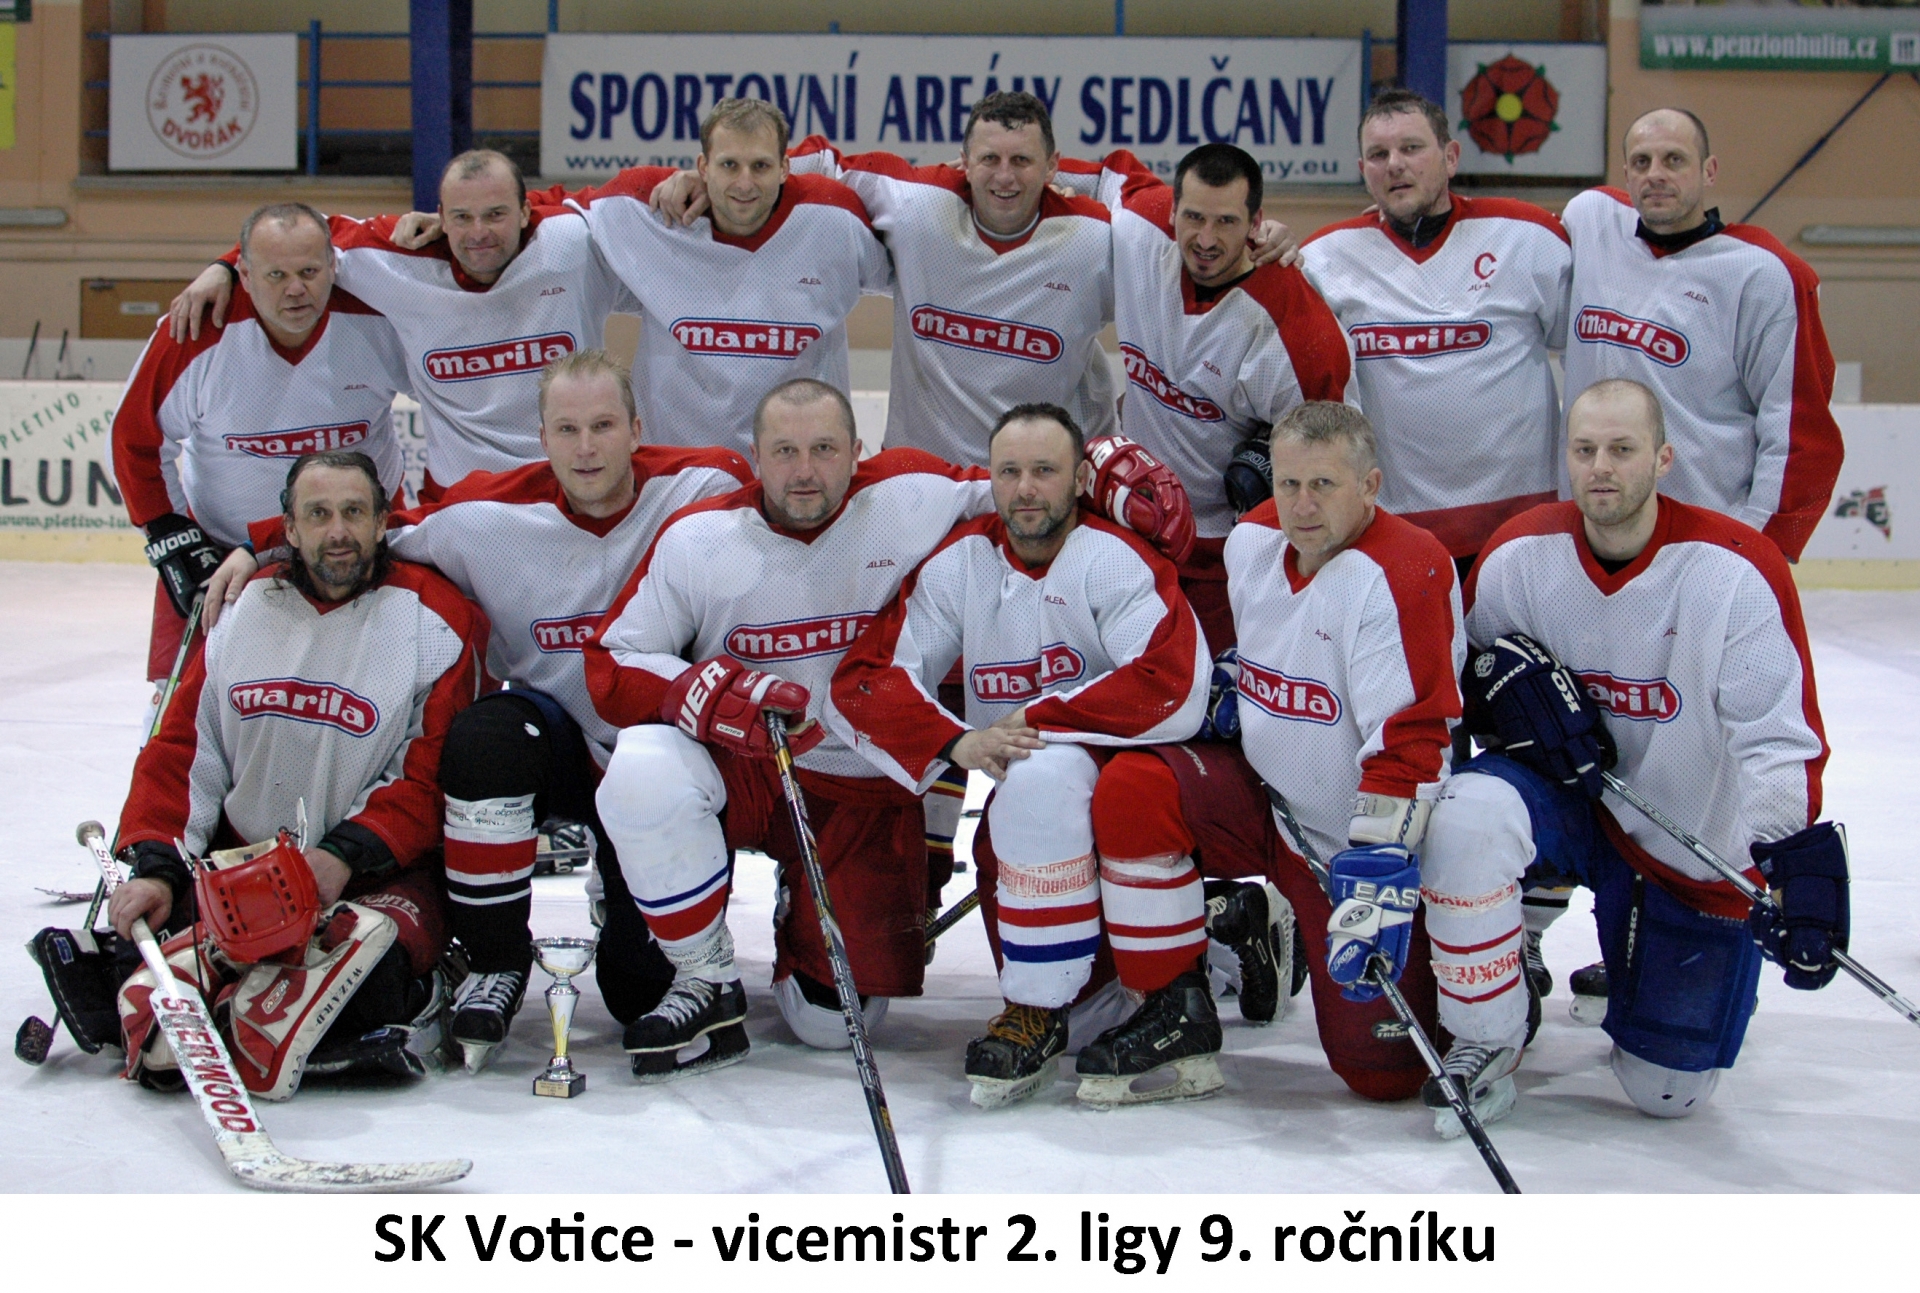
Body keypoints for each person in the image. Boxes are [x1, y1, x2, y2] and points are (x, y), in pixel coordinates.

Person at [582, 378, 1190, 1079]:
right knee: (643, 764)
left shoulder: (909, 494)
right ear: (755, 455)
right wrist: (710, 691)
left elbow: (1020, 490)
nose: (804, 471)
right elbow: (611, 662)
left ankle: (802, 909)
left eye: (823, 449)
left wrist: (1107, 475)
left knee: (830, 1026)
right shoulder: (699, 537)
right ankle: (705, 977)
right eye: (784, 452)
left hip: (857, 788)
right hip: (741, 766)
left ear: (857, 451)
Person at [200, 351, 755, 1073]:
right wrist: (259, 547)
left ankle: (644, 913)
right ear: (541, 436)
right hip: (554, 745)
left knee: (636, 992)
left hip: (656, 764)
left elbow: (790, 502)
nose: (586, 447)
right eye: (567, 429)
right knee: (485, 733)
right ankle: (496, 959)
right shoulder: (486, 517)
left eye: (603, 426)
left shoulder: (703, 486)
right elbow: (365, 528)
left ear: (636, 428)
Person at [1418, 378, 1840, 1136]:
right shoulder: (1519, 555)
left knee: (1667, 1092)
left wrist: (1791, 869)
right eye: (1585, 450)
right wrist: (1493, 698)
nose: (1601, 467)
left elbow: (1777, 740)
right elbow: (1456, 695)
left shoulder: (1733, 570)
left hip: (1684, 839)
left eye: (1622, 449)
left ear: (1663, 459)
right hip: (1568, 808)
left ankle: (1642, 969)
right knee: (1467, 814)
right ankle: (1488, 1028)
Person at [826, 403, 1209, 1108]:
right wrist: (957, 741)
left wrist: (1033, 719)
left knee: (1039, 778)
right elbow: (866, 678)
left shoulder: (1114, 557)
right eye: (1009, 472)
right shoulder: (962, 561)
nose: (1026, 489)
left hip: (1123, 785)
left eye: (1044, 471)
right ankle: (1195, 938)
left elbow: (1172, 681)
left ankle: (1068, 992)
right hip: (1028, 809)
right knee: (1086, 1013)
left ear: (1078, 480)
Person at [71, 451, 487, 1099]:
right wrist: (157, 868)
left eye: (354, 512)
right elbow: (182, 751)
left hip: (371, 876)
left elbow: (426, 778)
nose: (338, 532)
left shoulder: (434, 617)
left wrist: (341, 857)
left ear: (383, 521)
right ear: (288, 529)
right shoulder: (244, 607)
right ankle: (246, 996)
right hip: (241, 868)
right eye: (317, 515)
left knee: (371, 970)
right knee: (137, 937)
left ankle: (255, 991)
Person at [1091, 402, 1463, 1104]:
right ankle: (1176, 1010)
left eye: (1324, 485)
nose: (1302, 505)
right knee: (1134, 788)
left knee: (1384, 1076)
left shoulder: (1405, 571)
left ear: (1371, 485)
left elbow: (1413, 742)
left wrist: (1376, 870)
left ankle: (1492, 986)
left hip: (1348, 847)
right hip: (1266, 803)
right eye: (1289, 484)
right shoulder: (1253, 541)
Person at [168, 150, 640, 496]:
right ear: (441, 218)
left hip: (575, 493)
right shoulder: (396, 260)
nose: (478, 233)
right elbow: (300, 235)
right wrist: (226, 265)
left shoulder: (568, 244)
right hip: (459, 504)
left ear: (524, 212)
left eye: (495, 214)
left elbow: (624, 201)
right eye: (462, 217)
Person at [111, 201, 410, 697]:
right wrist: (170, 533)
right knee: (182, 712)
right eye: (276, 275)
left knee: (371, 698)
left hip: (359, 550)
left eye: (309, 272)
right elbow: (134, 439)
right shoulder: (195, 330)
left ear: (333, 265)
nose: (296, 289)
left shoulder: (383, 320)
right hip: (222, 553)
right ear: (244, 276)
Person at [1080, 141, 1355, 656]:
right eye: (1194, 218)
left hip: (1226, 561)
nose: (1205, 239)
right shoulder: (1142, 225)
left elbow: (1338, 472)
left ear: (1257, 223)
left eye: (1227, 222)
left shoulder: (1301, 336)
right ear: (1172, 209)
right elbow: (1092, 176)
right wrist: (969, 178)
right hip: (1124, 533)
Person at [1302, 88, 1571, 576]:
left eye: (1411, 148)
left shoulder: (1528, 237)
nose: (1395, 165)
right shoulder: (1323, 258)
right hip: (1393, 530)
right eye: (1378, 155)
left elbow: (1590, 349)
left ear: (1450, 157)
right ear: (1363, 171)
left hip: (1523, 527)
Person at [1561, 107, 1843, 564]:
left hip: (1702, 544)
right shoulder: (1592, 221)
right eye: (1641, 162)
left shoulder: (1764, 276)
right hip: (1587, 535)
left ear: (1709, 171)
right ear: (1626, 174)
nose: (1656, 174)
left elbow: (1797, 427)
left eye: (1674, 160)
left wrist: (1759, 549)